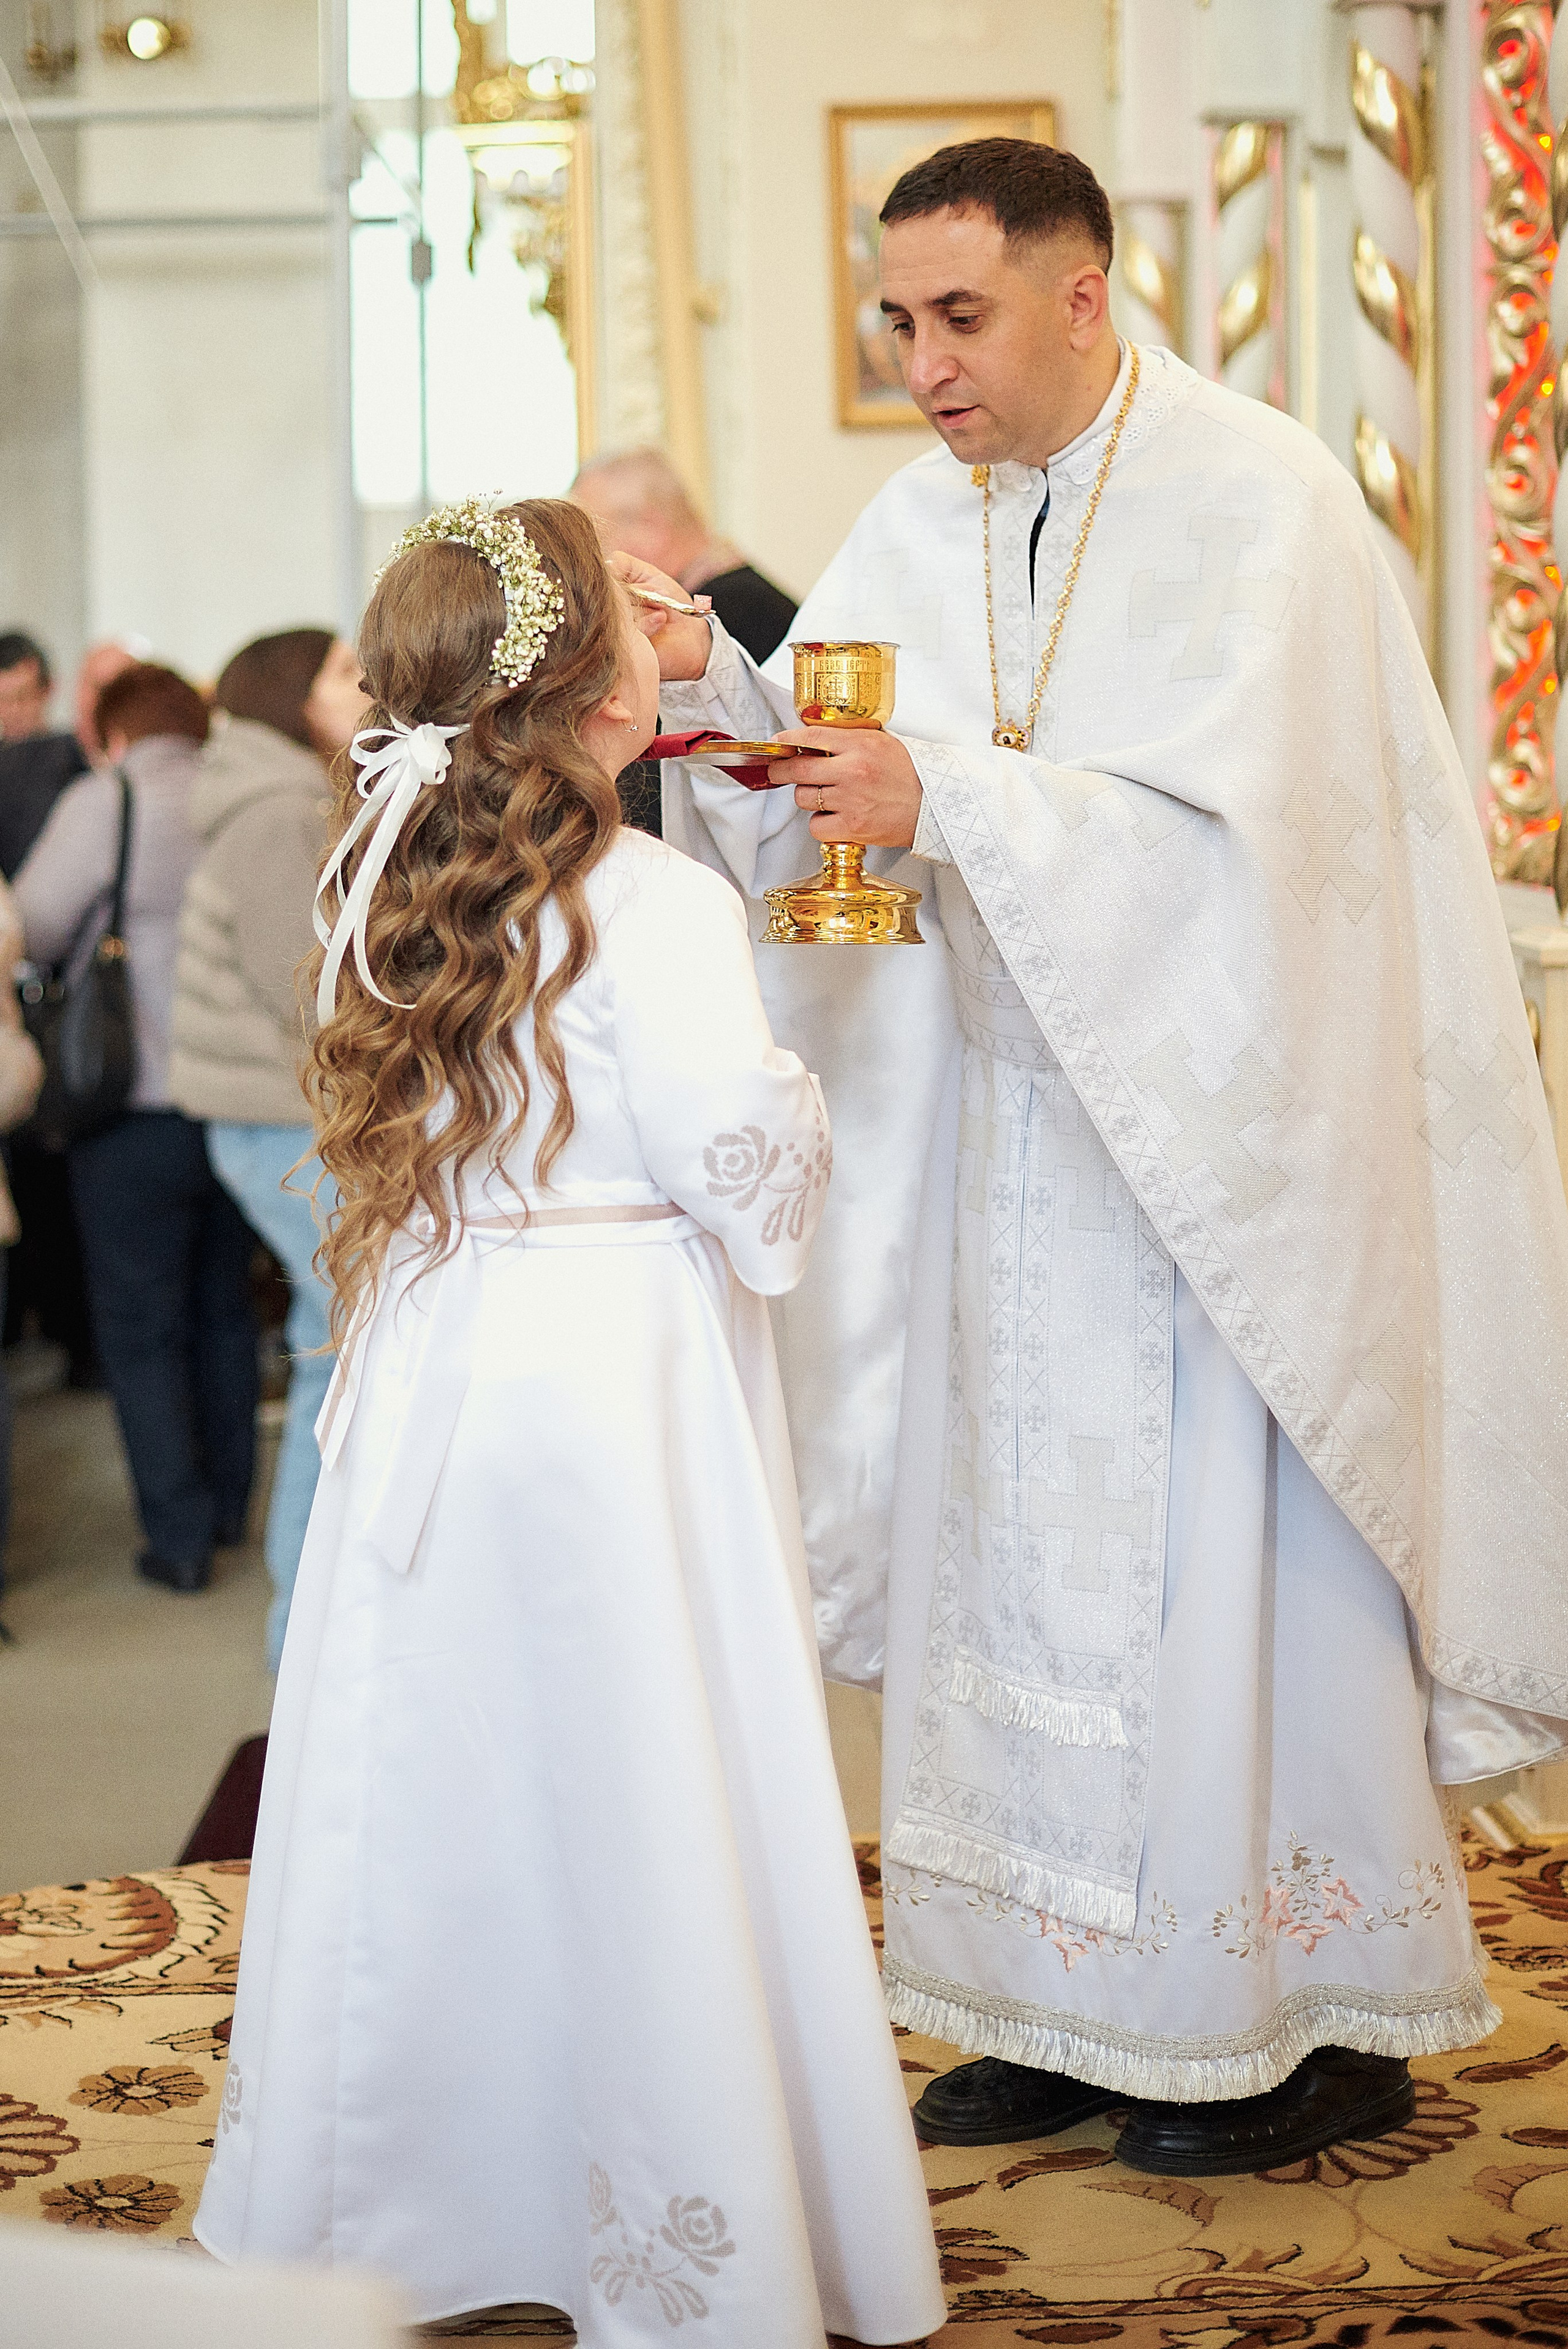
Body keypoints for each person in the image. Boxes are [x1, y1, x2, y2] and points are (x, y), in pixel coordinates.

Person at [641, 138, 1568, 2176]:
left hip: (1215, 1192)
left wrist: (951, 796)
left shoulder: (1266, 504)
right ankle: (1052, 1997)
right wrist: (722, 689)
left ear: (1083, 294)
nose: (922, 364)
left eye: (959, 317)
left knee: (1218, 1598)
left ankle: (1301, 2017)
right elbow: (836, 813)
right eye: (900, 320)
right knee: (1014, 1597)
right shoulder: (914, 521)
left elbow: (1265, 869)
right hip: (1001, 1169)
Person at [192, 496, 944, 2347]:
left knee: (439, 1769)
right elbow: (749, 1182)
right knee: (628, 1778)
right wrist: (803, 1083)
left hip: (435, 1350)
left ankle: (414, 2190)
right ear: (603, 692)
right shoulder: (654, 901)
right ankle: (660, 2207)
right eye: (629, 605)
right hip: (612, 1379)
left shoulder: (381, 871)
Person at [13, 662, 258, 1595]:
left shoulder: (104, 800)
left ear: (115, 733)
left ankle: (180, 1537)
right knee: (223, 1307)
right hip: (232, 1095)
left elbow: (32, 927)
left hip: (129, 1104)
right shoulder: (237, 797)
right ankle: (232, 1505)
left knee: (139, 1324)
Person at [169, 627, 368, 1669]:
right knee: (343, 1360)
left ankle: (310, 1633)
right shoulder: (279, 806)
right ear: (293, 698)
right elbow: (307, 983)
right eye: (343, 674)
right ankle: (303, 1638)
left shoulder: (279, 792)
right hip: (283, 1122)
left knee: (333, 1351)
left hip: (279, 1119)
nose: (365, 687)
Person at [571, 448, 799, 667]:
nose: (589, 556)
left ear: (651, 528)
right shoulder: (732, 595)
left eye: (595, 537)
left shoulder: (719, 614)